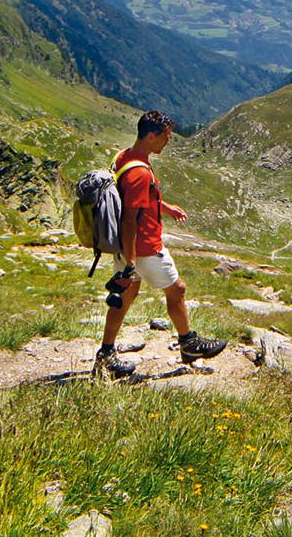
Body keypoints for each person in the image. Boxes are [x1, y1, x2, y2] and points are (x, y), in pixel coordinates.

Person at [94, 110, 226, 378]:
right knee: (177, 289)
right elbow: (131, 218)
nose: (168, 142)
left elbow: (133, 199)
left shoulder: (124, 157)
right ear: (151, 135)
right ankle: (189, 344)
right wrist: (131, 261)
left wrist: (164, 207)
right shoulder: (140, 172)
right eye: (165, 137)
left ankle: (105, 354)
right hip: (143, 247)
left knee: (124, 296)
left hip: (124, 245)